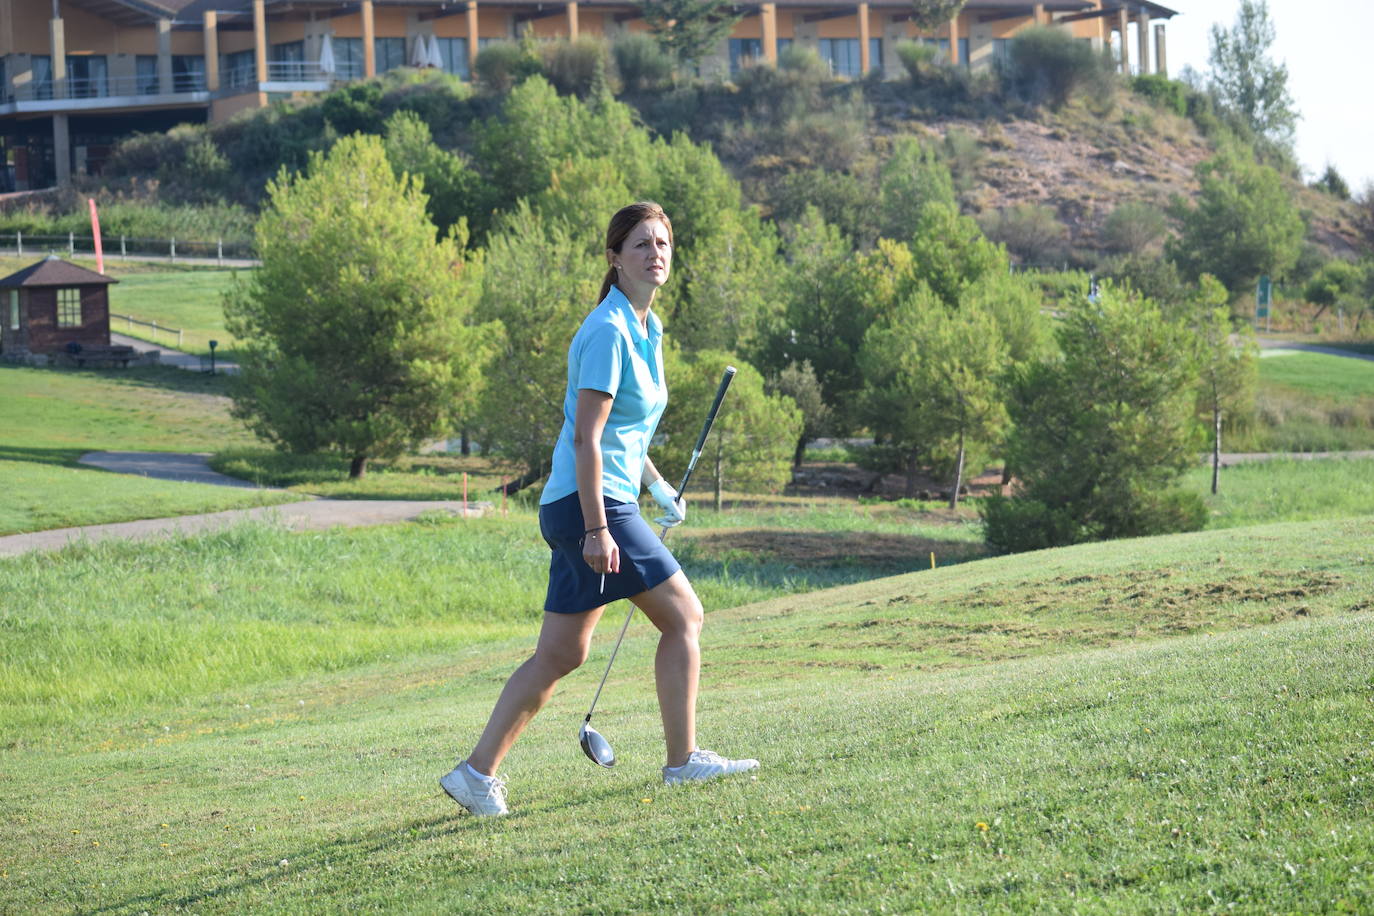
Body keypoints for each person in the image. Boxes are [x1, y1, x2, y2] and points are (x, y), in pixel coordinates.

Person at [439, 201, 759, 816]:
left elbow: (624, 436)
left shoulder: (648, 328)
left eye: (662, 243)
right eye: (641, 244)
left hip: (592, 499)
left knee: (563, 654)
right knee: (685, 618)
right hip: (592, 506)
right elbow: (587, 436)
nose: (655, 254)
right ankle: (683, 761)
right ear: (615, 258)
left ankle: (476, 774)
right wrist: (597, 527)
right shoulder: (609, 330)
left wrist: (659, 486)